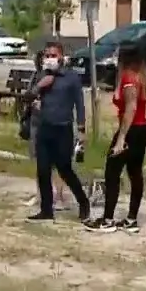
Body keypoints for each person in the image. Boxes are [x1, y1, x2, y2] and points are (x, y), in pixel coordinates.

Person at [85, 43, 146, 233]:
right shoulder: (142, 77)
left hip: (131, 130)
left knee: (112, 172)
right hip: (142, 129)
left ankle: (107, 219)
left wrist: (121, 138)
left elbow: (130, 109)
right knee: (135, 173)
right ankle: (131, 219)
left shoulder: (129, 78)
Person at [27, 41, 92, 222]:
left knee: (65, 169)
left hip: (63, 129)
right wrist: (40, 86)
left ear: (61, 57)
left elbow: (80, 104)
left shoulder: (70, 77)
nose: (49, 59)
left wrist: (81, 129)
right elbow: (29, 95)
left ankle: (83, 202)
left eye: (53, 55)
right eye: (47, 55)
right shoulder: (43, 76)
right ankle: (46, 209)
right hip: (44, 127)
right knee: (43, 170)